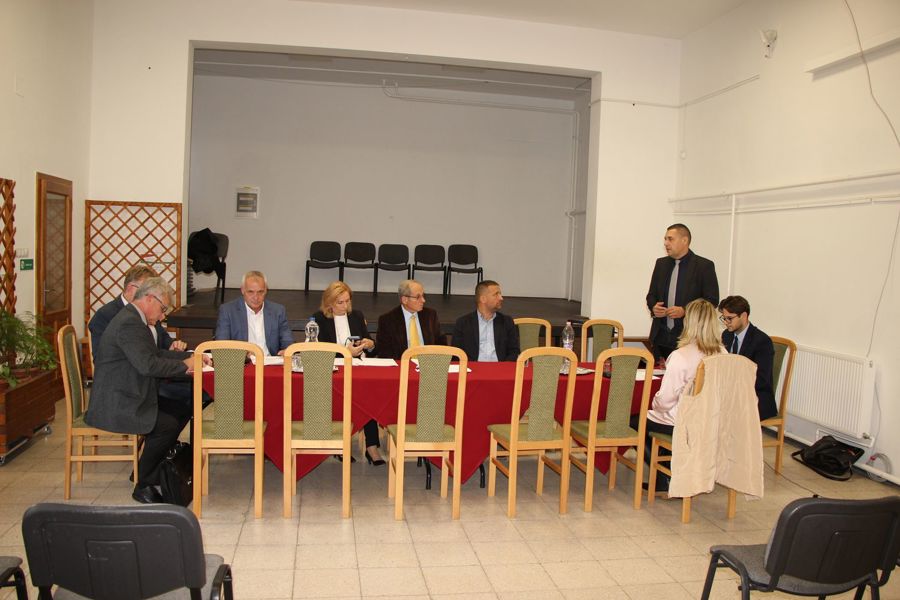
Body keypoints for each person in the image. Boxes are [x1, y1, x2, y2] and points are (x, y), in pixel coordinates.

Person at [86, 278, 210, 504]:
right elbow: (148, 366)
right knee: (167, 424)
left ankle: (152, 467)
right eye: (163, 309)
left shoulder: (134, 319)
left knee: (182, 406)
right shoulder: (129, 324)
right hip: (119, 401)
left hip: (130, 393)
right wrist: (186, 366)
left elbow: (155, 354)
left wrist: (192, 358)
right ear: (149, 299)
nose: (163, 316)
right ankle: (143, 482)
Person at [89, 263, 203, 415]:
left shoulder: (144, 314)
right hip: (129, 388)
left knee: (195, 393)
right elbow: (102, 359)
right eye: (145, 288)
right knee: (188, 399)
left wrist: (183, 353)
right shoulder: (114, 316)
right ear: (132, 288)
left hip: (151, 375)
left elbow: (158, 345)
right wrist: (183, 364)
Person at [636, 298, 725, 493]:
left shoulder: (681, 356)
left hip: (683, 422)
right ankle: (671, 468)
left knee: (635, 421)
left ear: (688, 323)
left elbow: (665, 401)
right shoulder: (723, 353)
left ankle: (664, 477)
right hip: (711, 420)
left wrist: (654, 405)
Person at [312, 281, 382, 464]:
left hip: (358, 367)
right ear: (329, 303)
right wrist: (344, 352)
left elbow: (372, 348)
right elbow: (320, 351)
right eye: (340, 302)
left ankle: (371, 446)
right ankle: (340, 444)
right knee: (340, 395)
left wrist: (370, 344)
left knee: (369, 394)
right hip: (334, 371)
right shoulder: (319, 319)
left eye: (347, 301)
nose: (345, 306)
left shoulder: (356, 316)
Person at [646, 223, 719, 360]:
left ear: (684, 240)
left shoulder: (704, 266)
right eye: (665, 239)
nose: (666, 243)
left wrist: (685, 311)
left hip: (689, 337)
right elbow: (651, 295)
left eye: (670, 239)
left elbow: (712, 300)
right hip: (660, 336)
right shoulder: (661, 264)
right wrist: (654, 307)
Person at [719, 295, 777, 421]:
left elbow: (761, 379)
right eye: (724, 318)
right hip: (732, 393)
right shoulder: (726, 335)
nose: (726, 322)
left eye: (730, 318)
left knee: (723, 411)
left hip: (755, 396)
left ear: (744, 316)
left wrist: (734, 385)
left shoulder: (762, 341)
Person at [215, 270, 293, 356]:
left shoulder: (278, 311)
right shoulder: (228, 311)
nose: (256, 297)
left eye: (260, 292)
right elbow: (221, 346)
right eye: (250, 292)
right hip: (243, 362)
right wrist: (243, 355)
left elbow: (287, 341)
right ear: (242, 290)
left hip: (270, 361)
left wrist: (287, 350)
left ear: (266, 290)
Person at [375, 279, 444, 361]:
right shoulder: (387, 320)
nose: (423, 300)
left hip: (428, 365)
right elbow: (385, 352)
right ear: (404, 300)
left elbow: (441, 344)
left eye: (423, 296)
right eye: (418, 297)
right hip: (402, 364)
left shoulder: (430, 315)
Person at [451, 280, 520, 362]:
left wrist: (503, 367)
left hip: (501, 367)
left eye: (500, 294)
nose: (501, 298)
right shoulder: (463, 323)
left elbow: (514, 352)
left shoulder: (507, 322)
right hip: (472, 368)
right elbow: (456, 354)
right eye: (496, 294)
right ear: (483, 299)